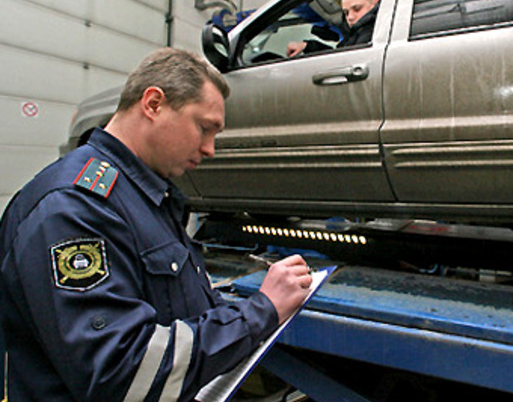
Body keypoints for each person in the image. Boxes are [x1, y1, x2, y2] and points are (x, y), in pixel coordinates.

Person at [0, 48, 313, 401]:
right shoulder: (75, 209)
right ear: (152, 104)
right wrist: (260, 311)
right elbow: (123, 373)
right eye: (204, 128)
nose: (210, 149)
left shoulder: (141, 196)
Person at [286, 0, 379, 57]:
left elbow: (342, 62)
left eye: (357, 9)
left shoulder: (372, 31)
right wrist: (307, 46)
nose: (350, 17)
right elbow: (338, 55)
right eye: (346, 13)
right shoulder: (356, 33)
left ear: (374, 2)